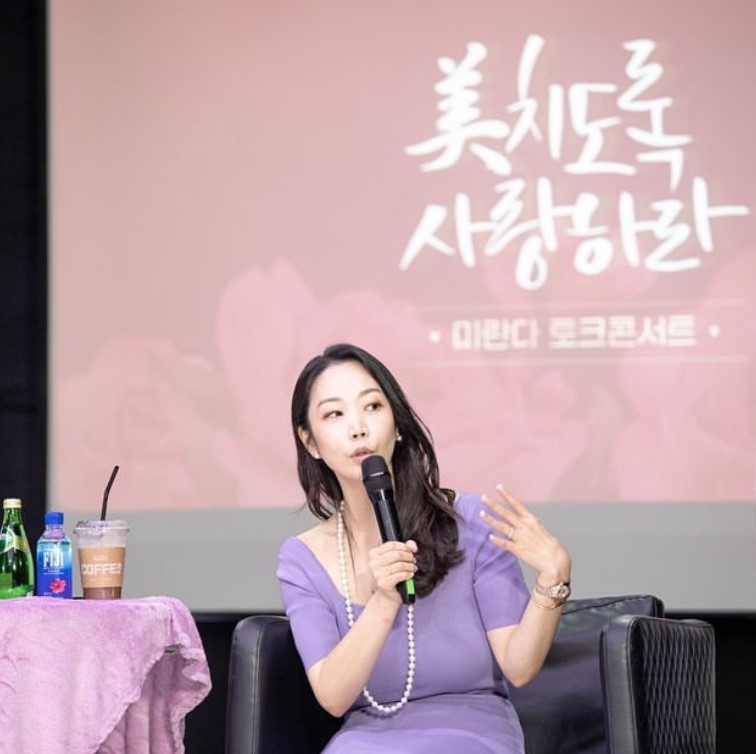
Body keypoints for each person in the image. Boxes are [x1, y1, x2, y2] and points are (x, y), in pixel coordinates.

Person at [277, 343, 572, 753]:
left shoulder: (471, 522)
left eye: (372, 406)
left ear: (397, 425)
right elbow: (333, 696)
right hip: (365, 741)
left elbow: (520, 668)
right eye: (334, 414)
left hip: (473, 735)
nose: (358, 428)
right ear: (310, 442)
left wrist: (553, 578)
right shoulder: (302, 558)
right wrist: (384, 600)